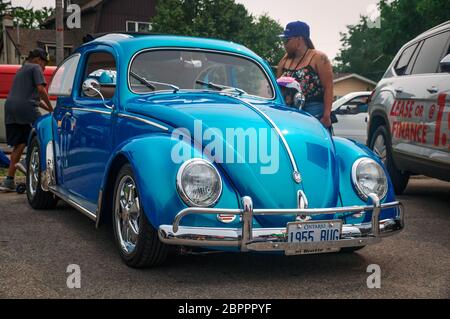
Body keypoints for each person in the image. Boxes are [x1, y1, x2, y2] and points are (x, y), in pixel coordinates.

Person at [0, 48, 53, 192]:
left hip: (10, 107)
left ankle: (8, 181)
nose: (44, 67)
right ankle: (26, 161)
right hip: (24, 107)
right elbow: (41, 91)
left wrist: (47, 108)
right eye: (44, 63)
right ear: (37, 59)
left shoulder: (21, 70)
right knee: (45, 131)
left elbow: (32, 98)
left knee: (20, 143)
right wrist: (51, 108)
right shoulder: (35, 68)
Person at [277, 21, 334, 130]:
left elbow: (329, 87)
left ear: (299, 39)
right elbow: (276, 86)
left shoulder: (318, 57)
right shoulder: (284, 60)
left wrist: (326, 116)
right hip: (289, 111)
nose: (284, 43)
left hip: (314, 112)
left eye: (287, 40)